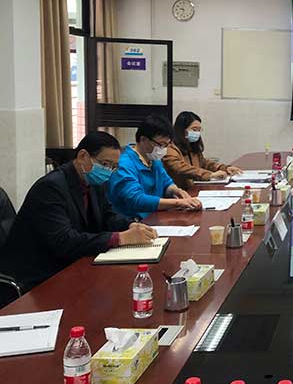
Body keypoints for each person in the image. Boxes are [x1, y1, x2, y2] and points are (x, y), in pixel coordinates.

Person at [2, 132, 158, 291]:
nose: (109, 171)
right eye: (105, 164)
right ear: (83, 156)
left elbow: (108, 215)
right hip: (39, 275)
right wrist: (119, 238)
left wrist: (131, 225)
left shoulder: (93, 182)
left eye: (114, 167)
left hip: (71, 264)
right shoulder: (51, 188)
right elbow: (64, 240)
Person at [108, 114, 202, 218]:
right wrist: (178, 203)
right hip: (133, 221)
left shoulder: (153, 159)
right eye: (160, 144)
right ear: (143, 139)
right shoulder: (124, 163)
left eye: (166, 145)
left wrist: (176, 191)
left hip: (155, 216)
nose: (163, 149)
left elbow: (166, 182)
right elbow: (136, 199)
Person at [163, 111, 244, 189]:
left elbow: (204, 163)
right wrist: (210, 175)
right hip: (178, 192)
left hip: (194, 187)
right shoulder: (170, 149)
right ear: (182, 130)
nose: (197, 133)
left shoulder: (192, 146)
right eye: (194, 129)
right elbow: (181, 168)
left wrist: (224, 168)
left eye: (199, 130)